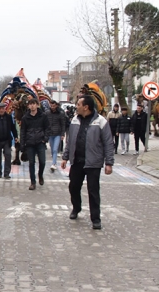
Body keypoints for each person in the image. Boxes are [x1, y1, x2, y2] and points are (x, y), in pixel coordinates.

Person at [61, 95, 114, 230]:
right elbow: (70, 141)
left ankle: (95, 219)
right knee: (73, 187)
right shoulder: (74, 120)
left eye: (78, 104)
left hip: (93, 163)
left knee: (93, 191)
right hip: (77, 162)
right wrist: (65, 157)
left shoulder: (101, 121)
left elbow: (108, 143)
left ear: (86, 107)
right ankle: (76, 208)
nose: (76, 106)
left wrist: (109, 163)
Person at [20, 98, 50, 190]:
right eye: (30, 104)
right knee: (31, 163)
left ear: (37, 105)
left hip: (40, 142)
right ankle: (33, 182)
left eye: (34, 104)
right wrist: (22, 144)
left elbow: (47, 128)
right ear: (28, 106)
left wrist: (45, 139)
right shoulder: (25, 118)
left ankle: (40, 175)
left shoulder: (43, 116)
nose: (32, 106)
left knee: (42, 162)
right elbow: (23, 131)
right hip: (29, 143)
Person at [46, 100, 66, 173]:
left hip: (57, 133)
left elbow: (63, 124)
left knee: (55, 149)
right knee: (52, 149)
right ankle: (54, 162)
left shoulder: (60, 113)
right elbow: (45, 122)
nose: (52, 107)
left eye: (54, 106)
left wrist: (62, 134)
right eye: (51, 106)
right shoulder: (47, 113)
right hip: (50, 134)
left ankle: (53, 164)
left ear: (56, 105)